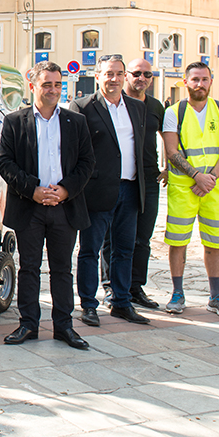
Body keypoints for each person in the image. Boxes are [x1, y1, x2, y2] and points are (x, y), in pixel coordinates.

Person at [0, 62, 95, 350]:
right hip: (30, 207)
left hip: (65, 208)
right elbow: (5, 163)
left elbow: (87, 163)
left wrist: (64, 191)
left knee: (62, 270)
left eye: (57, 84)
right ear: (33, 86)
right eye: (46, 85)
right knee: (29, 268)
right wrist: (34, 191)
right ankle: (28, 324)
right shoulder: (15, 121)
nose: (53, 90)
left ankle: (64, 326)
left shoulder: (75, 122)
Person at [68, 55, 149, 327]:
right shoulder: (82, 107)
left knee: (125, 249)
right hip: (96, 191)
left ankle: (121, 303)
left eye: (118, 73)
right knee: (90, 250)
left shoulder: (137, 108)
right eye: (108, 74)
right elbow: (73, 152)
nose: (113, 79)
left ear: (124, 76)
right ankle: (88, 305)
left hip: (129, 189)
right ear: (98, 75)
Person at [162, 62, 219, 318]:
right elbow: (172, 151)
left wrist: (210, 178)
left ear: (211, 81)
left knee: (214, 242)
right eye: (195, 79)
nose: (200, 84)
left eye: (204, 79)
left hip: (214, 188)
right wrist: (196, 176)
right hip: (184, 187)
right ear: (186, 82)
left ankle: (216, 296)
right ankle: (177, 293)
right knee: (177, 240)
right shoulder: (174, 112)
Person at [99, 57, 164, 309]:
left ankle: (134, 287)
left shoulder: (156, 107)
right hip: (115, 180)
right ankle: (110, 288)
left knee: (141, 238)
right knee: (110, 240)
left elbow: (167, 136)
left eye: (148, 75)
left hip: (146, 180)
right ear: (127, 76)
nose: (142, 78)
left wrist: (168, 166)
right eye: (137, 73)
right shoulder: (116, 105)